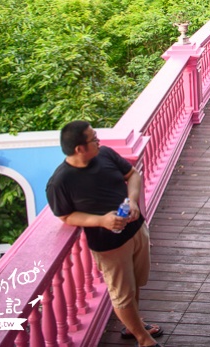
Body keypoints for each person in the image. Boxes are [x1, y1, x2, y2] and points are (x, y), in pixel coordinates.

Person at [46, 121, 163, 347]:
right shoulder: (61, 181)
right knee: (122, 293)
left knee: (136, 282)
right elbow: (65, 217)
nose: (99, 141)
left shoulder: (106, 155)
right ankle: (143, 338)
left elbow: (133, 175)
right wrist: (102, 220)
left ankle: (134, 324)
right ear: (79, 148)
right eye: (93, 139)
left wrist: (132, 201)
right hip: (109, 244)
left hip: (136, 229)